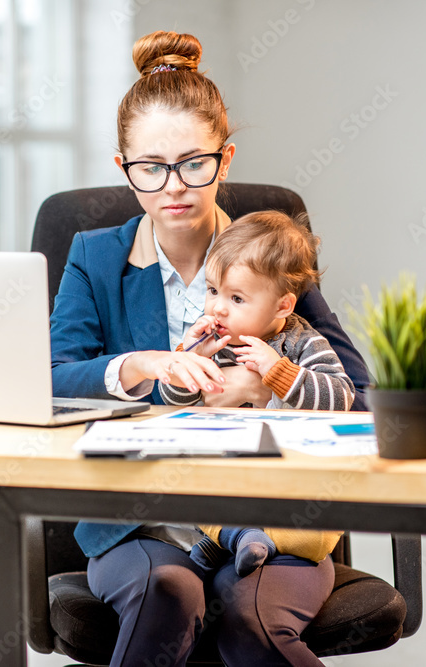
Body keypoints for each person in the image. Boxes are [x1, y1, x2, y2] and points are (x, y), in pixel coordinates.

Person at [49, 30, 370, 666]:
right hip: (143, 516)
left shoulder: (266, 254)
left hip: (263, 513)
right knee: (167, 590)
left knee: (249, 611)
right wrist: (145, 365)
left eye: (194, 164)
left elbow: (360, 397)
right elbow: (54, 378)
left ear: (224, 160)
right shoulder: (95, 256)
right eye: (151, 168)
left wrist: (268, 382)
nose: (174, 187)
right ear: (124, 169)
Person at [160, 210, 352, 579]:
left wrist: (278, 372)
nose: (217, 307)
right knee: (191, 491)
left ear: (282, 305)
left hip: (286, 484)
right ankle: (238, 536)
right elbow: (172, 402)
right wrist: (187, 362)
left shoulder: (301, 342)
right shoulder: (210, 343)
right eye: (213, 291)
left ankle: (242, 540)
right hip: (225, 475)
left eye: (236, 298)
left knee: (318, 535)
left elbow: (340, 396)